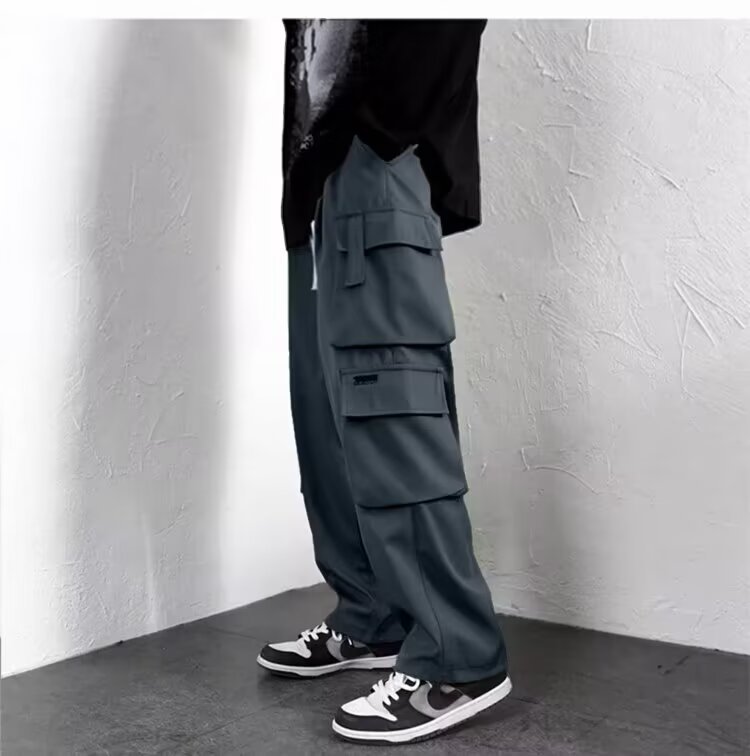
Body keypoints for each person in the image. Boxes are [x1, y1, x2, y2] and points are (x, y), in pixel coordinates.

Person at [256, 19, 511, 745]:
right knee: (327, 419)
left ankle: (459, 656)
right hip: (318, 180)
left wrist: (385, 134)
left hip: (378, 154)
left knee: (390, 407)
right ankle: (372, 615)